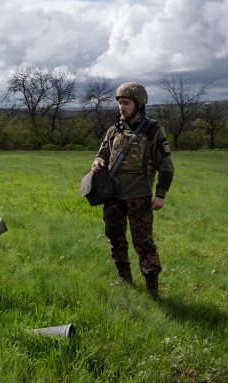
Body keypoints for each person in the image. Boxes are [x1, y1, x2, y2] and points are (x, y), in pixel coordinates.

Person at [91, 82, 174, 299]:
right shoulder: (114, 130)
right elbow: (102, 155)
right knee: (114, 236)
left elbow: (166, 166)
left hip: (139, 196)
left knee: (143, 242)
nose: (121, 107)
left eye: (125, 103)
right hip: (113, 196)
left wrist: (160, 195)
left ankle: (152, 289)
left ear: (138, 104)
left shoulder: (153, 130)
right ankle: (124, 278)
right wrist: (98, 162)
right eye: (119, 103)